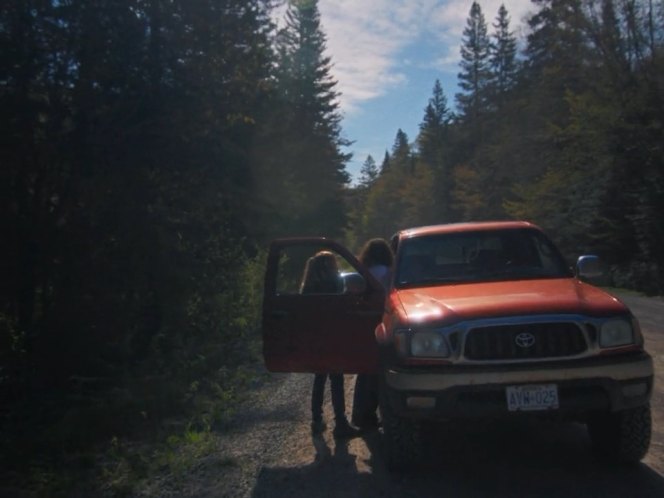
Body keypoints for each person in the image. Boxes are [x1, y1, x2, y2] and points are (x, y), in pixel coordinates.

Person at [300, 251, 361, 439]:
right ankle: (340, 422)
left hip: (317, 338)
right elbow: (342, 307)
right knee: (336, 379)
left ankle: (317, 421)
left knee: (320, 378)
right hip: (333, 336)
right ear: (329, 265)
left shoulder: (308, 286)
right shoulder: (334, 283)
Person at [351, 238, 394, 430]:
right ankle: (382, 413)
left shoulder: (363, 272)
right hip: (383, 320)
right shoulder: (389, 272)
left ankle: (362, 415)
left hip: (363, 322)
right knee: (383, 370)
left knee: (365, 370)